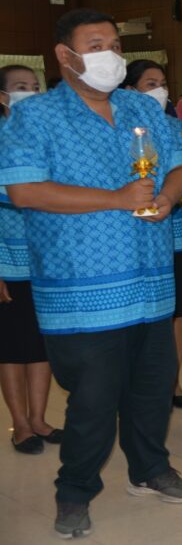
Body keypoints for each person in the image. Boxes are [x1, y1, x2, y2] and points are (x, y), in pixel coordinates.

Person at [0, 9, 182, 538]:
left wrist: (168, 196)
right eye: (95, 45)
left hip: (150, 281)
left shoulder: (141, 106)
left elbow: (181, 165)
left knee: (152, 389)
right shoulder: (36, 116)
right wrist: (114, 198)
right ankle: (74, 491)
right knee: (93, 400)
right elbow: (24, 190)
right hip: (82, 291)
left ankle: (150, 469)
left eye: (114, 44)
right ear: (64, 56)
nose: (110, 55)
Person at [121, 60, 182, 409]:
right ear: (129, 91)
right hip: (137, 237)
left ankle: (173, 383)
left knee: (177, 311)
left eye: (163, 83)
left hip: (180, 235)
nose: (160, 90)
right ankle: (138, 385)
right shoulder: (121, 130)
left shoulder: (176, 127)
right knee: (139, 316)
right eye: (150, 84)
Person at [0, 65, 62, 456]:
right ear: (3, 96)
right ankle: (20, 424)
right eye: (21, 87)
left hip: (46, 261)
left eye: (36, 87)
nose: (31, 93)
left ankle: (39, 418)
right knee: (11, 347)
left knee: (42, 344)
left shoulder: (46, 137)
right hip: (7, 262)